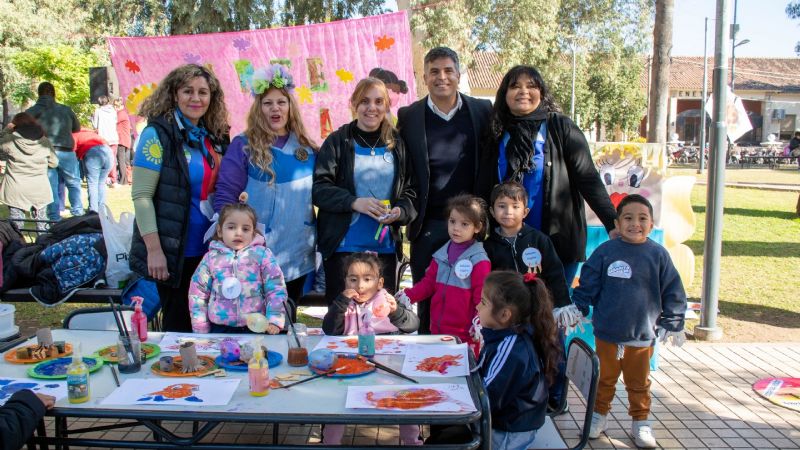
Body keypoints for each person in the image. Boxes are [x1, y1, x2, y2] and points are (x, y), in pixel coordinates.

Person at [477, 65, 617, 286]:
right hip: (507, 246)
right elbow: (483, 188)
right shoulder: (496, 132)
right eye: (515, 86)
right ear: (505, 95)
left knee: (552, 313)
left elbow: (588, 179)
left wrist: (613, 223)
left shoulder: (560, 127)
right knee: (512, 313)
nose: (523, 91)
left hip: (557, 244)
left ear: (541, 92)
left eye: (531, 86)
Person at [572, 194, 687, 449]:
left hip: (642, 335)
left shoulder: (658, 255)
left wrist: (674, 320)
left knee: (638, 383)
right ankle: (598, 417)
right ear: (617, 222)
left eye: (642, 218)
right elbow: (588, 282)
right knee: (604, 379)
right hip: (607, 333)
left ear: (652, 223)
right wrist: (578, 306)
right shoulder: (605, 251)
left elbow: (673, 290)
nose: (635, 223)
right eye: (628, 218)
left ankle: (641, 422)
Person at [397, 47, 492, 334]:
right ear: (424, 77)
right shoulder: (409, 115)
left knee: (473, 299)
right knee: (428, 296)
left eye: (448, 70)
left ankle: (470, 359)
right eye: (434, 71)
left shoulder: (482, 111)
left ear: (458, 75)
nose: (442, 77)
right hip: (428, 224)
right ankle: (426, 360)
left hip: (471, 224)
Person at [129, 63, 229, 332]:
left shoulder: (215, 136)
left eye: (203, 92)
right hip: (174, 252)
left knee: (211, 325)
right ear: (174, 94)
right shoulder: (156, 135)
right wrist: (154, 250)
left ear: (212, 98)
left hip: (211, 249)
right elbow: (141, 196)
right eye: (188, 91)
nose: (196, 98)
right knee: (180, 329)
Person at [214, 64, 318, 303]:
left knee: (285, 317)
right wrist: (230, 241)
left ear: (290, 106)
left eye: (281, 102)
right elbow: (225, 197)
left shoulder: (308, 149)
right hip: (252, 254)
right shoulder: (243, 145)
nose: (275, 109)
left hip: (296, 253)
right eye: (267, 103)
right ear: (258, 108)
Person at [313, 77, 416, 303]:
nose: (372, 108)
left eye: (379, 102)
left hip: (384, 250)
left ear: (387, 106)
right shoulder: (338, 142)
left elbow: (410, 191)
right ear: (354, 104)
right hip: (343, 248)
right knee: (342, 320)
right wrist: (353, 202)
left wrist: (400, 212)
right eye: (365, 101)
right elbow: (320, 189)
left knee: (379, 320)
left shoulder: (397, 143)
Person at [321, 252, 420, 445]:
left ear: (380, 283)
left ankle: (413, 442)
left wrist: (396, 312)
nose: (360, 286)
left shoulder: (388, 301)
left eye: (367, 279)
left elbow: (412, 325)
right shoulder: (344, 304)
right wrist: (340, 303)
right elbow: (329, 329)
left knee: (405, 396)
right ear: (345, 282)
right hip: (351, 365)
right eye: (353, 279)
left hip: (387, 365)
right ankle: (329, 443)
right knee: (335, 400)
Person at [475, 270, 561, 450]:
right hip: (510, 421)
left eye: (483, 302)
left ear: (505, 315)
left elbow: (485, 399)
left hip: (508, 433)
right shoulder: (505, 335)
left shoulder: (511, 349)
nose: (477, 307)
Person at [396, 194, 490, 354]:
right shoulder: (441, 255)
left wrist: (479, 322)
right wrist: (408, 295)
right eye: (452, 221)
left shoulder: (479, 261)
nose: (456, 228)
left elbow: (480, 297)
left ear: (477, 227)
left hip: (465, 337)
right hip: (437, 332)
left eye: (464, 224)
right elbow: (428, 284)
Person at [188, 202, 288, 334]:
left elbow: (276, 289)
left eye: (245, 229)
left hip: (255, 327)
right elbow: (197, 294)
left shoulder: (263, 255)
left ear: (253, 232)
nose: (238, 233)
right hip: (219, 329)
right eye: (231, 227)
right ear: (219, 230)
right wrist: (200, 327)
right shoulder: (210, 258)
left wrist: (274, 320)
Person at [483, 182, 571, 309]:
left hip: (538, 309)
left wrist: (563, 306)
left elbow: (555, 274)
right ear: (492, 211)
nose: (508, 212)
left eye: (515, 207)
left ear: (525, 212)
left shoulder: (539, 240)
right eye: (502, 206)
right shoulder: (488, 246)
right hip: (505, 310)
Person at [25, 81, 83, 221]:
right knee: (73, 182)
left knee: (51, 185)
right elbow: (76, 128)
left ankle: (54, 217)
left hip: (45, 151)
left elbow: (23, 128)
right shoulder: (66, 109)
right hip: (66, 150)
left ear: (39, 94)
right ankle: (78, 214)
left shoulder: (32, 111)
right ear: (53, 93)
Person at [0, 113, 58, 231]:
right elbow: (54, 163)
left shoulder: (9, 140)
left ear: (15, 125)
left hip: (15, 188)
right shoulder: (44, 142)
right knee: (42, 225)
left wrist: (6, 129)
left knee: (16, 226)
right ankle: (43, 248)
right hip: (39, 188)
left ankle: (16, 248)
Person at [72, 128, 113, 213]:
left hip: (92, 153)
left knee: (92, 183)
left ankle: (93, 210)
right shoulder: (91, 133)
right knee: (101, 183)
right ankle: (102, 209)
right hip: (108, 151)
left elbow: (72, 152)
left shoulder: (74, 135)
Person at [91, 95, 119, 185]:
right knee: (113, 159)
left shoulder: (98, 111)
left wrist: (91, 119)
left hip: (103, 139)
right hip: (114, 138)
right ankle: (113, 179)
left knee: (103, 159)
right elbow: (115, 122)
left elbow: (95, 125)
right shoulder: (113, 111)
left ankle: (104, 178)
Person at [114, 97, 133, 185]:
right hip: (125, 140)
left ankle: (122, 180)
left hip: (122, 140)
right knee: (125, 161)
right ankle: (125, 179)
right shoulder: (124, 113)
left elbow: (114, 122)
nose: (115, 108)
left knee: (121, 160)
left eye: (115, 106)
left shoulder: (121, 113)